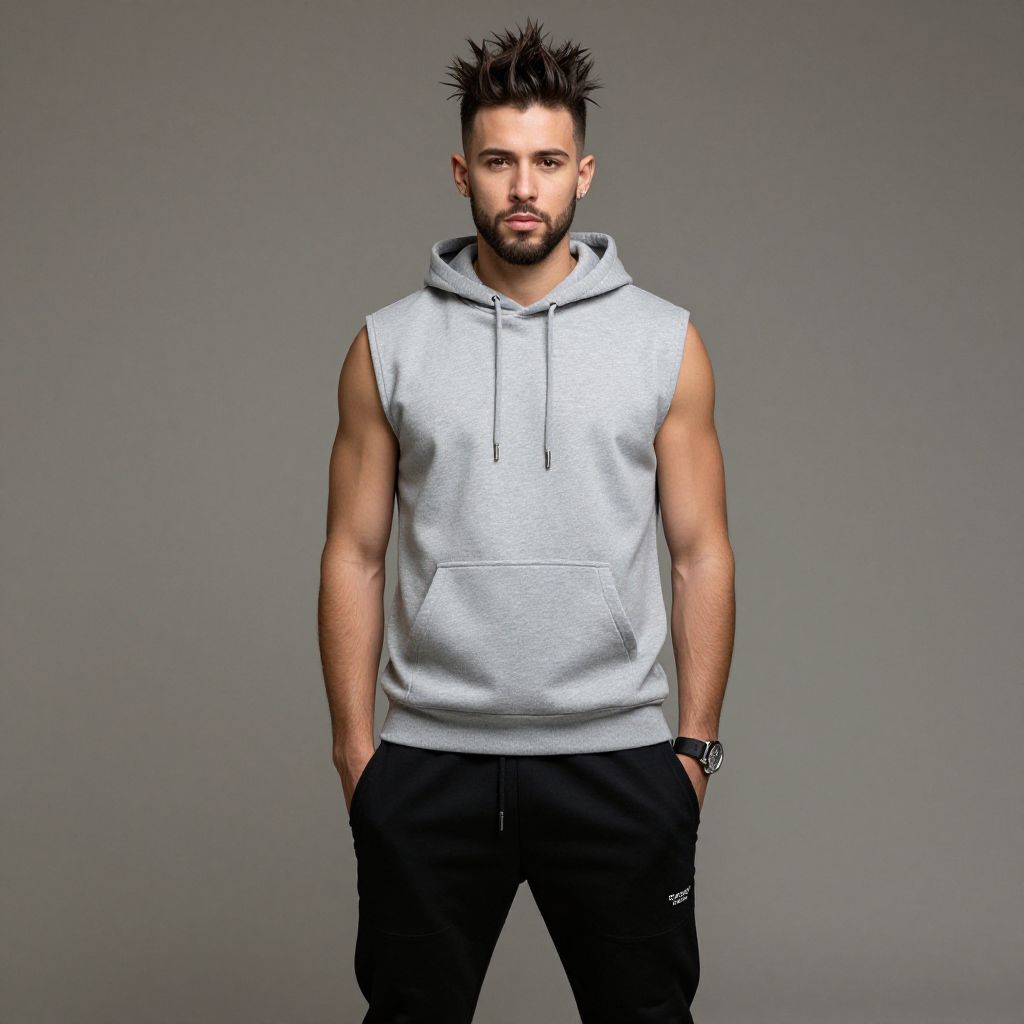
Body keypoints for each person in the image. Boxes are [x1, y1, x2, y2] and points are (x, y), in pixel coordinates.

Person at [319, 17, 734, 1023]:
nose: (523, 187)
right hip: (431, 762)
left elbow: (699, 553)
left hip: (617, 760)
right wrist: (356, 755)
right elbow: (354, 555)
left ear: (582, 174)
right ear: (462, 172)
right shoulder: (388, 346)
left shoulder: (663, 342)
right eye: (500, 162)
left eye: (547, 162)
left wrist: (693, 752)